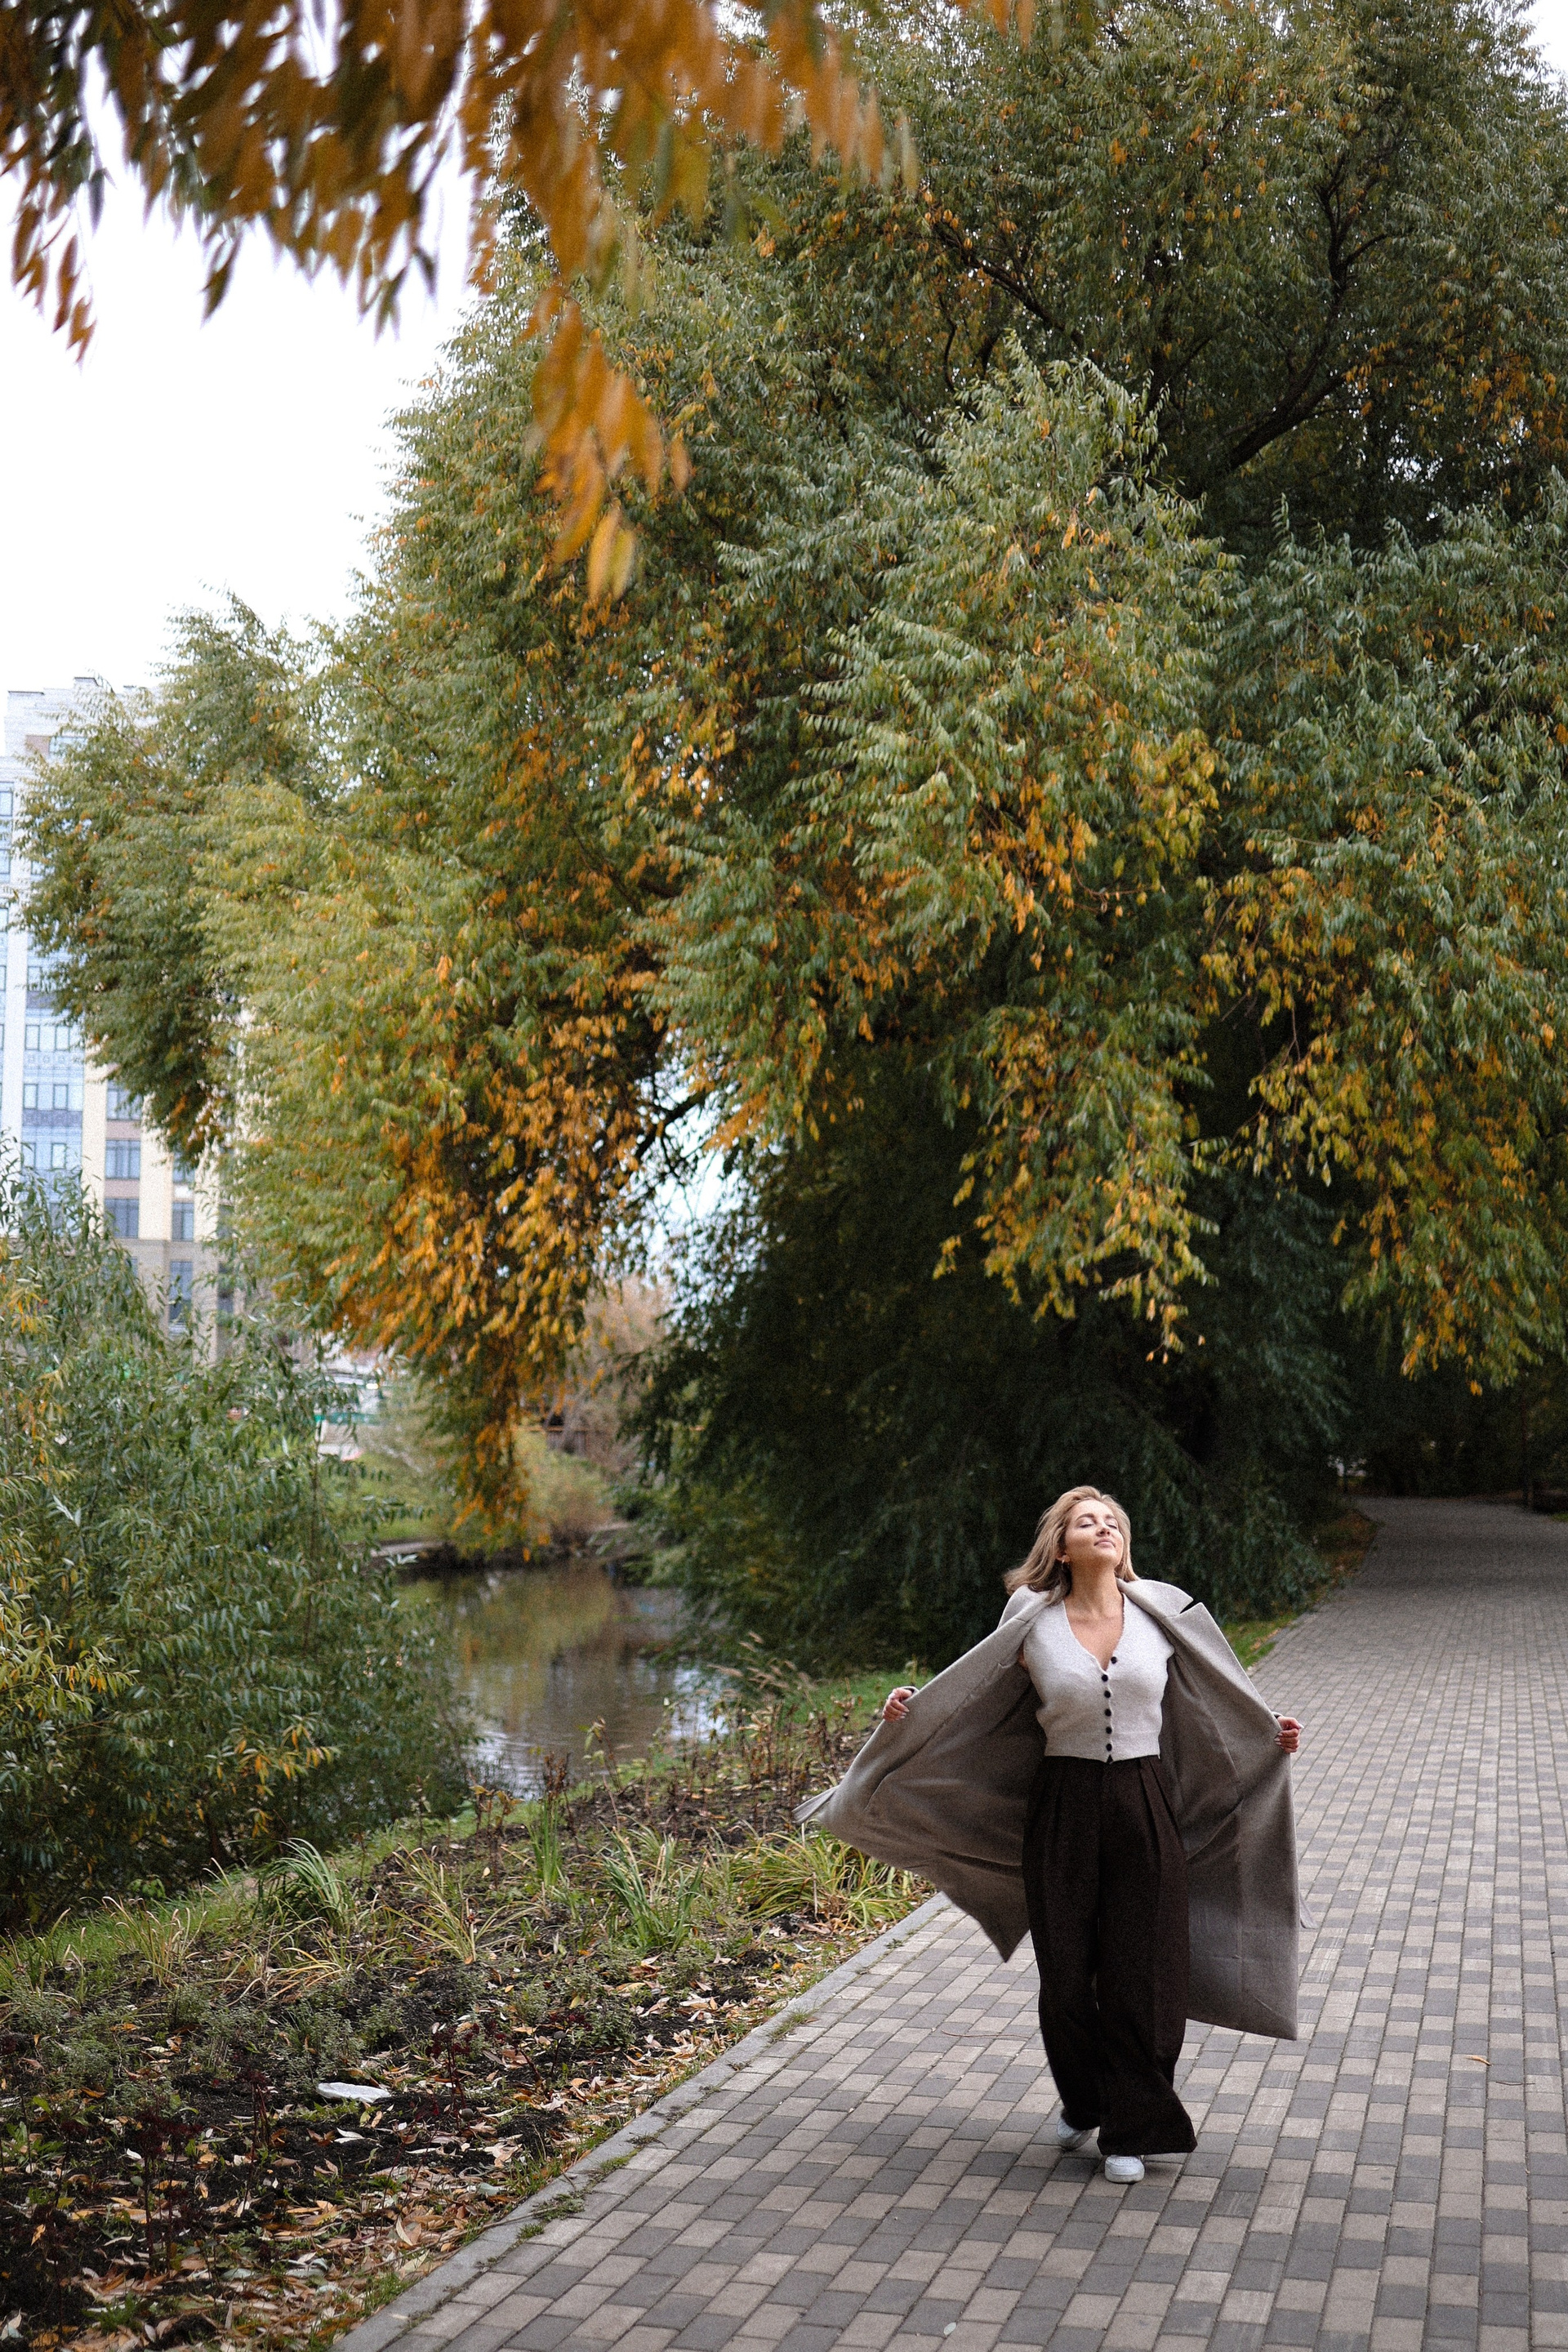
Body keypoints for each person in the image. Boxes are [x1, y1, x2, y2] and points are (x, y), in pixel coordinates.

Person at [798, 1484, 1303, 2186]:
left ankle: (1132, 2126)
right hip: (1062, 1805)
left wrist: (1267, 1733)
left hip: (1145, 1801)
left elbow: (1216, 1698)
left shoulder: (1163, 1612)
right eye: (1086, 1521)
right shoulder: (1029, 1617)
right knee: (1066, 1973)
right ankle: (1085, 2097)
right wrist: (910, 1714)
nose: (1104, 1528)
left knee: (1146, 1969)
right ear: (1061, 1546)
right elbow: (972, 1697)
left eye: (1112, 1521)